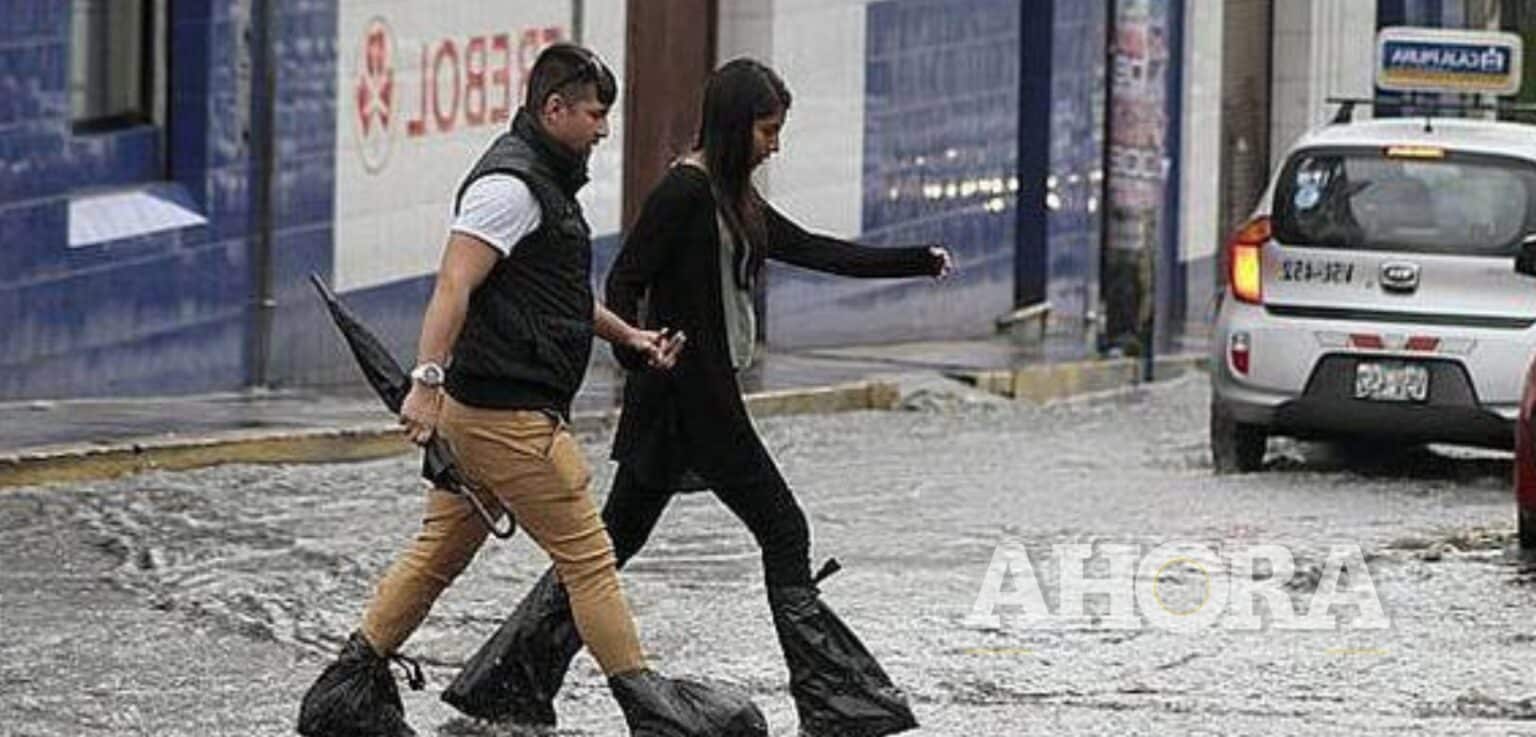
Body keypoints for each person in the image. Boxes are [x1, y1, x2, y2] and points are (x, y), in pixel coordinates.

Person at [444, 58, 953, 737]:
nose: (776, 144)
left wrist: (916, 260)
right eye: (768, 130)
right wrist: (639, 351)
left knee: (609, 544)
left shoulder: (731, 195)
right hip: (691, 401)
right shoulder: (684, 192)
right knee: (783, 527)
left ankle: (503, 684)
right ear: (735, 125)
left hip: (694, 402)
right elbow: (623, 279)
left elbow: (815, 249)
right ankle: (839, 702)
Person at [296, 43, 765, 737]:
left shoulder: (542, 184)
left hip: (481, 418)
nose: (604, 129)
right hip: (505, 418)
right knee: (589, 557)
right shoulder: (508, 188)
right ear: (554, 109)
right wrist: (425, 381)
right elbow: (454, 283)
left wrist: (627, 338)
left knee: (438, 554)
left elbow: (554, 295)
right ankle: (651, 712)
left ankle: (345, 691)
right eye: (595, 114)